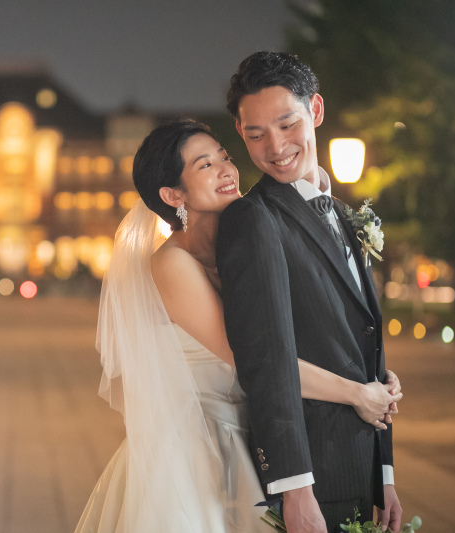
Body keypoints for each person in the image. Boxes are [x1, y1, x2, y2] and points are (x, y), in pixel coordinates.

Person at [75, 119, 401, 533]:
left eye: (225, 157)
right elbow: (254, 359)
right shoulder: (172, 264)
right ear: (173, 194)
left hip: (258, 435)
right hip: (201, 450)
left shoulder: (248, 241)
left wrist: (372, 374)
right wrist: (357, 393)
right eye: (205, 165)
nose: (227, 170)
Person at [217, 51, 402, 533]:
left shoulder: (342, 213)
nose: (275, 146)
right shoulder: (252, 219)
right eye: (255, 134)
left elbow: (357, 336)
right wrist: (295, 490)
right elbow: (264, 361)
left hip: (361, 465)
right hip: (312, 476)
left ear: (315, 111)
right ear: (240, 133)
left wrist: (385, 472)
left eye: (287, 124)